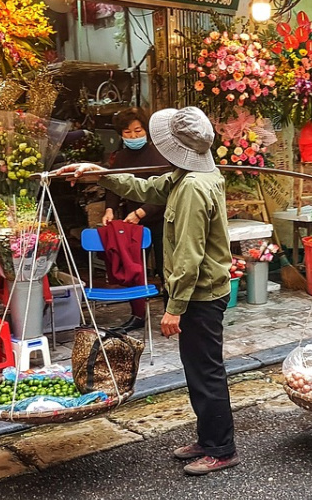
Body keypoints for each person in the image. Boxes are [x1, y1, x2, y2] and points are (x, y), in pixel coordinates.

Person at [58, 107, 239, 476]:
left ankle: (221, 448)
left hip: (201, 295)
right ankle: (209, 438)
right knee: (197, 369)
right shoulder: (188, 175)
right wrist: (100, 173)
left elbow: (189, 256)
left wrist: (174, 308)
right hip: (199, 292)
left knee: (206, 371)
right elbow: (144, 188)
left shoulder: (193, 187)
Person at [103, 108, 170, 332]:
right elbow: (113, 184)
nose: (133, 136)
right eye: (127, 132)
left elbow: (166, 192)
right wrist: (110, 209)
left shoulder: (158, 155)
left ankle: (173, 315)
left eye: (137, 131)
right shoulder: (120, 157)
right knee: (135, 268)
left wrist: (142, 212)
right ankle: (138, 315)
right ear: (121, 135)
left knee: (165, 267)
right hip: (134, 224)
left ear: (146, 131)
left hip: (161, 219)